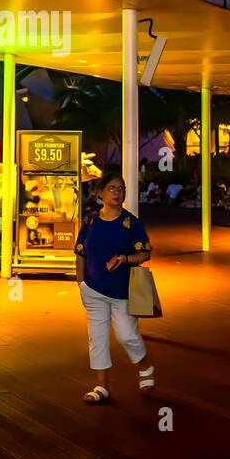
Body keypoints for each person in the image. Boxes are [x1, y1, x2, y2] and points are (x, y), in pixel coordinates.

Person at [75, 171, 155, 404]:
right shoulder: (90, 221)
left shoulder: (131, 223)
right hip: (93, 290)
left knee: (126, 335)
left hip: (122, 291)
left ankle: (144, 366)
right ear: (99, 193)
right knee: (97, 338)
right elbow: (80, 252)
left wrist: (125, 259)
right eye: (111, 188)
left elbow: (146, 253)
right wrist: (80, 282)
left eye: (121, 188)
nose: (117, 192)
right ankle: (101, 386)